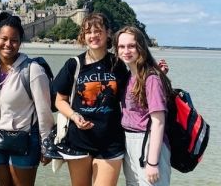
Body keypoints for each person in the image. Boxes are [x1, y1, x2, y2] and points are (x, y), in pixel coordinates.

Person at [53, 13, 127, 186]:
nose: (93, 36)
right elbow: (59, 100)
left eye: (98, 31)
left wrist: (157, 74)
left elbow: (131, 97)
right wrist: (74, 116)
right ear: (83, 36)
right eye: (88, 32)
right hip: (79, 141)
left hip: (110, 141)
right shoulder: (74, 64)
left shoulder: (117, 64)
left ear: (108, 33)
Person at [0, 12, 54, 186]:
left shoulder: (33, 70)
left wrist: (47, 146)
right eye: (4, 38)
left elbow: (44, 112)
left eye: (14, 40)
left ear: (20, 42)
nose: (8, 44)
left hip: (26, 140)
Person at [114, 26, 172, 186]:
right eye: (121, 46)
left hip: (148, 142)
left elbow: (159, 122)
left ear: (141, 47)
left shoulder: (151, 78)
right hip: (129, 142)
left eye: (131, 46)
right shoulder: (129, 76)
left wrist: (153, 163)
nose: (126, 51)